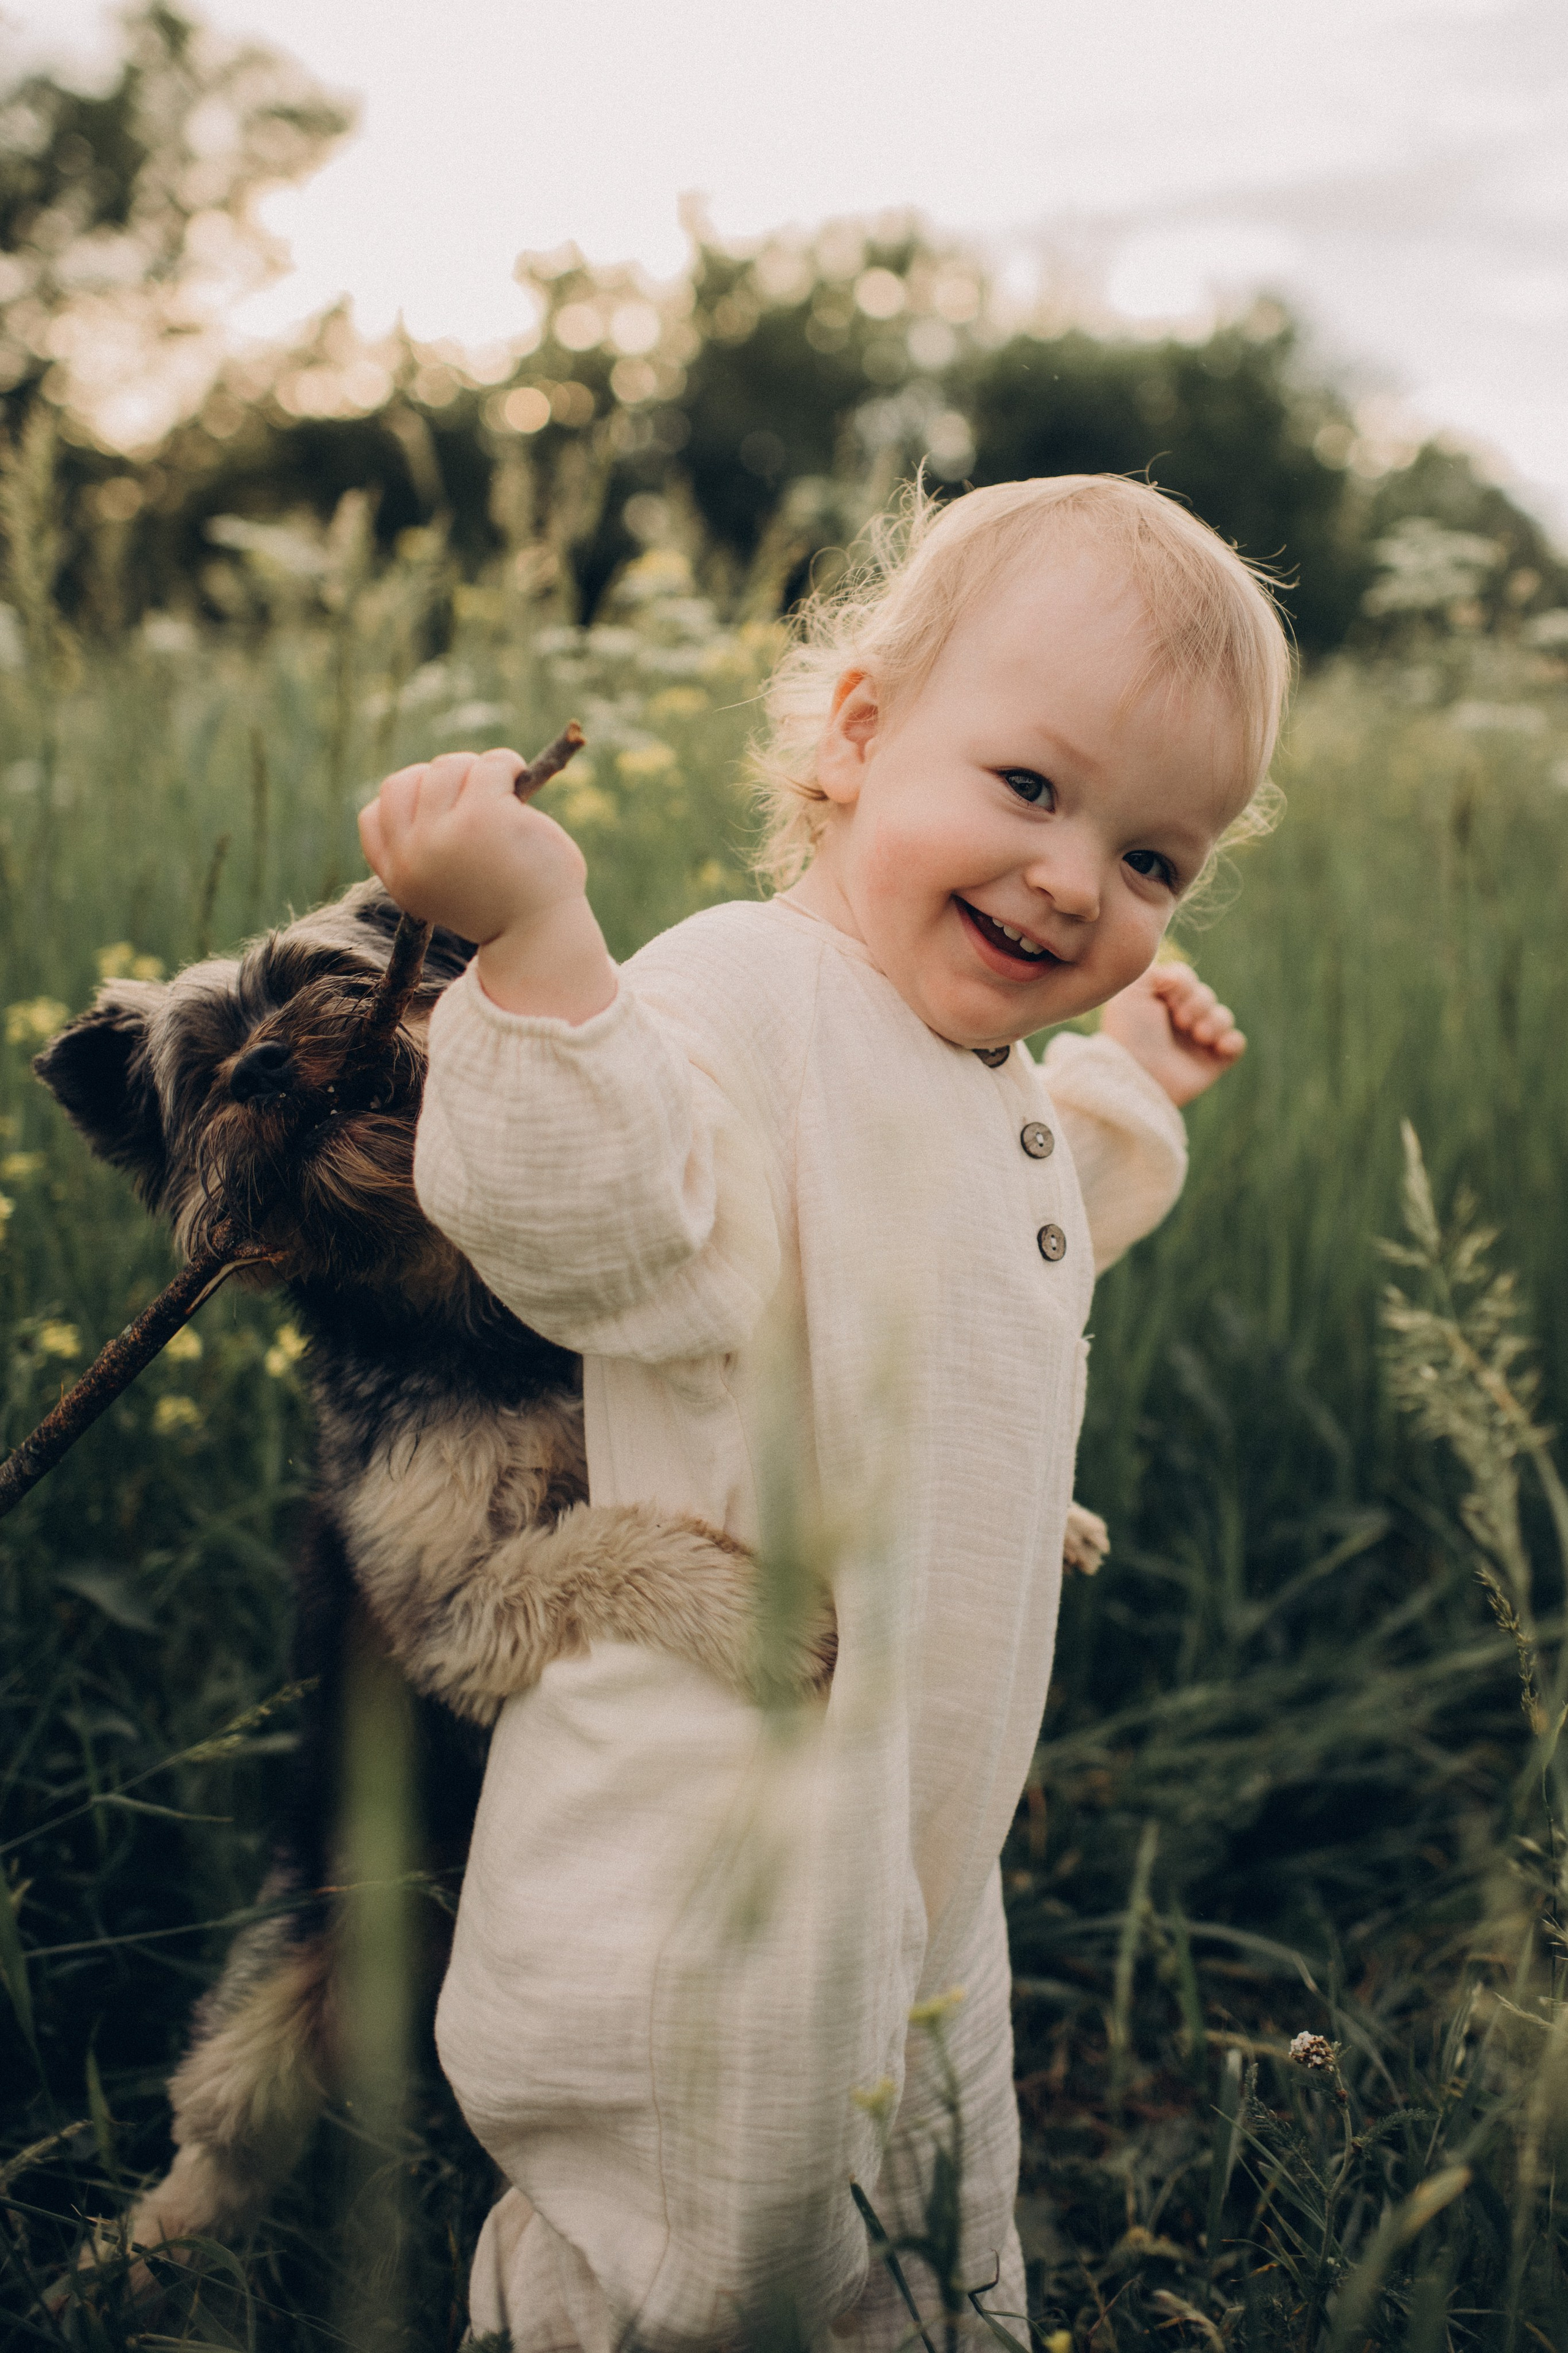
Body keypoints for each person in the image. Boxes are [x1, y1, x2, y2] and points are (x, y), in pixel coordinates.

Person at [358, 474, 1291, 2351]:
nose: (1072, 878)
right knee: (705, 2227)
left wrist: (1121, 1083)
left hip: (925, 1835)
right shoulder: (740, 991)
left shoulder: (969, 1063)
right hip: (728, 1818)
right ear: (861, 734)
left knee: (926, 2216)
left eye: (1151, 861)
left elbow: (993, 1269)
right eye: (1031, 789)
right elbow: (593, 1223)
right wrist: (539, 946)